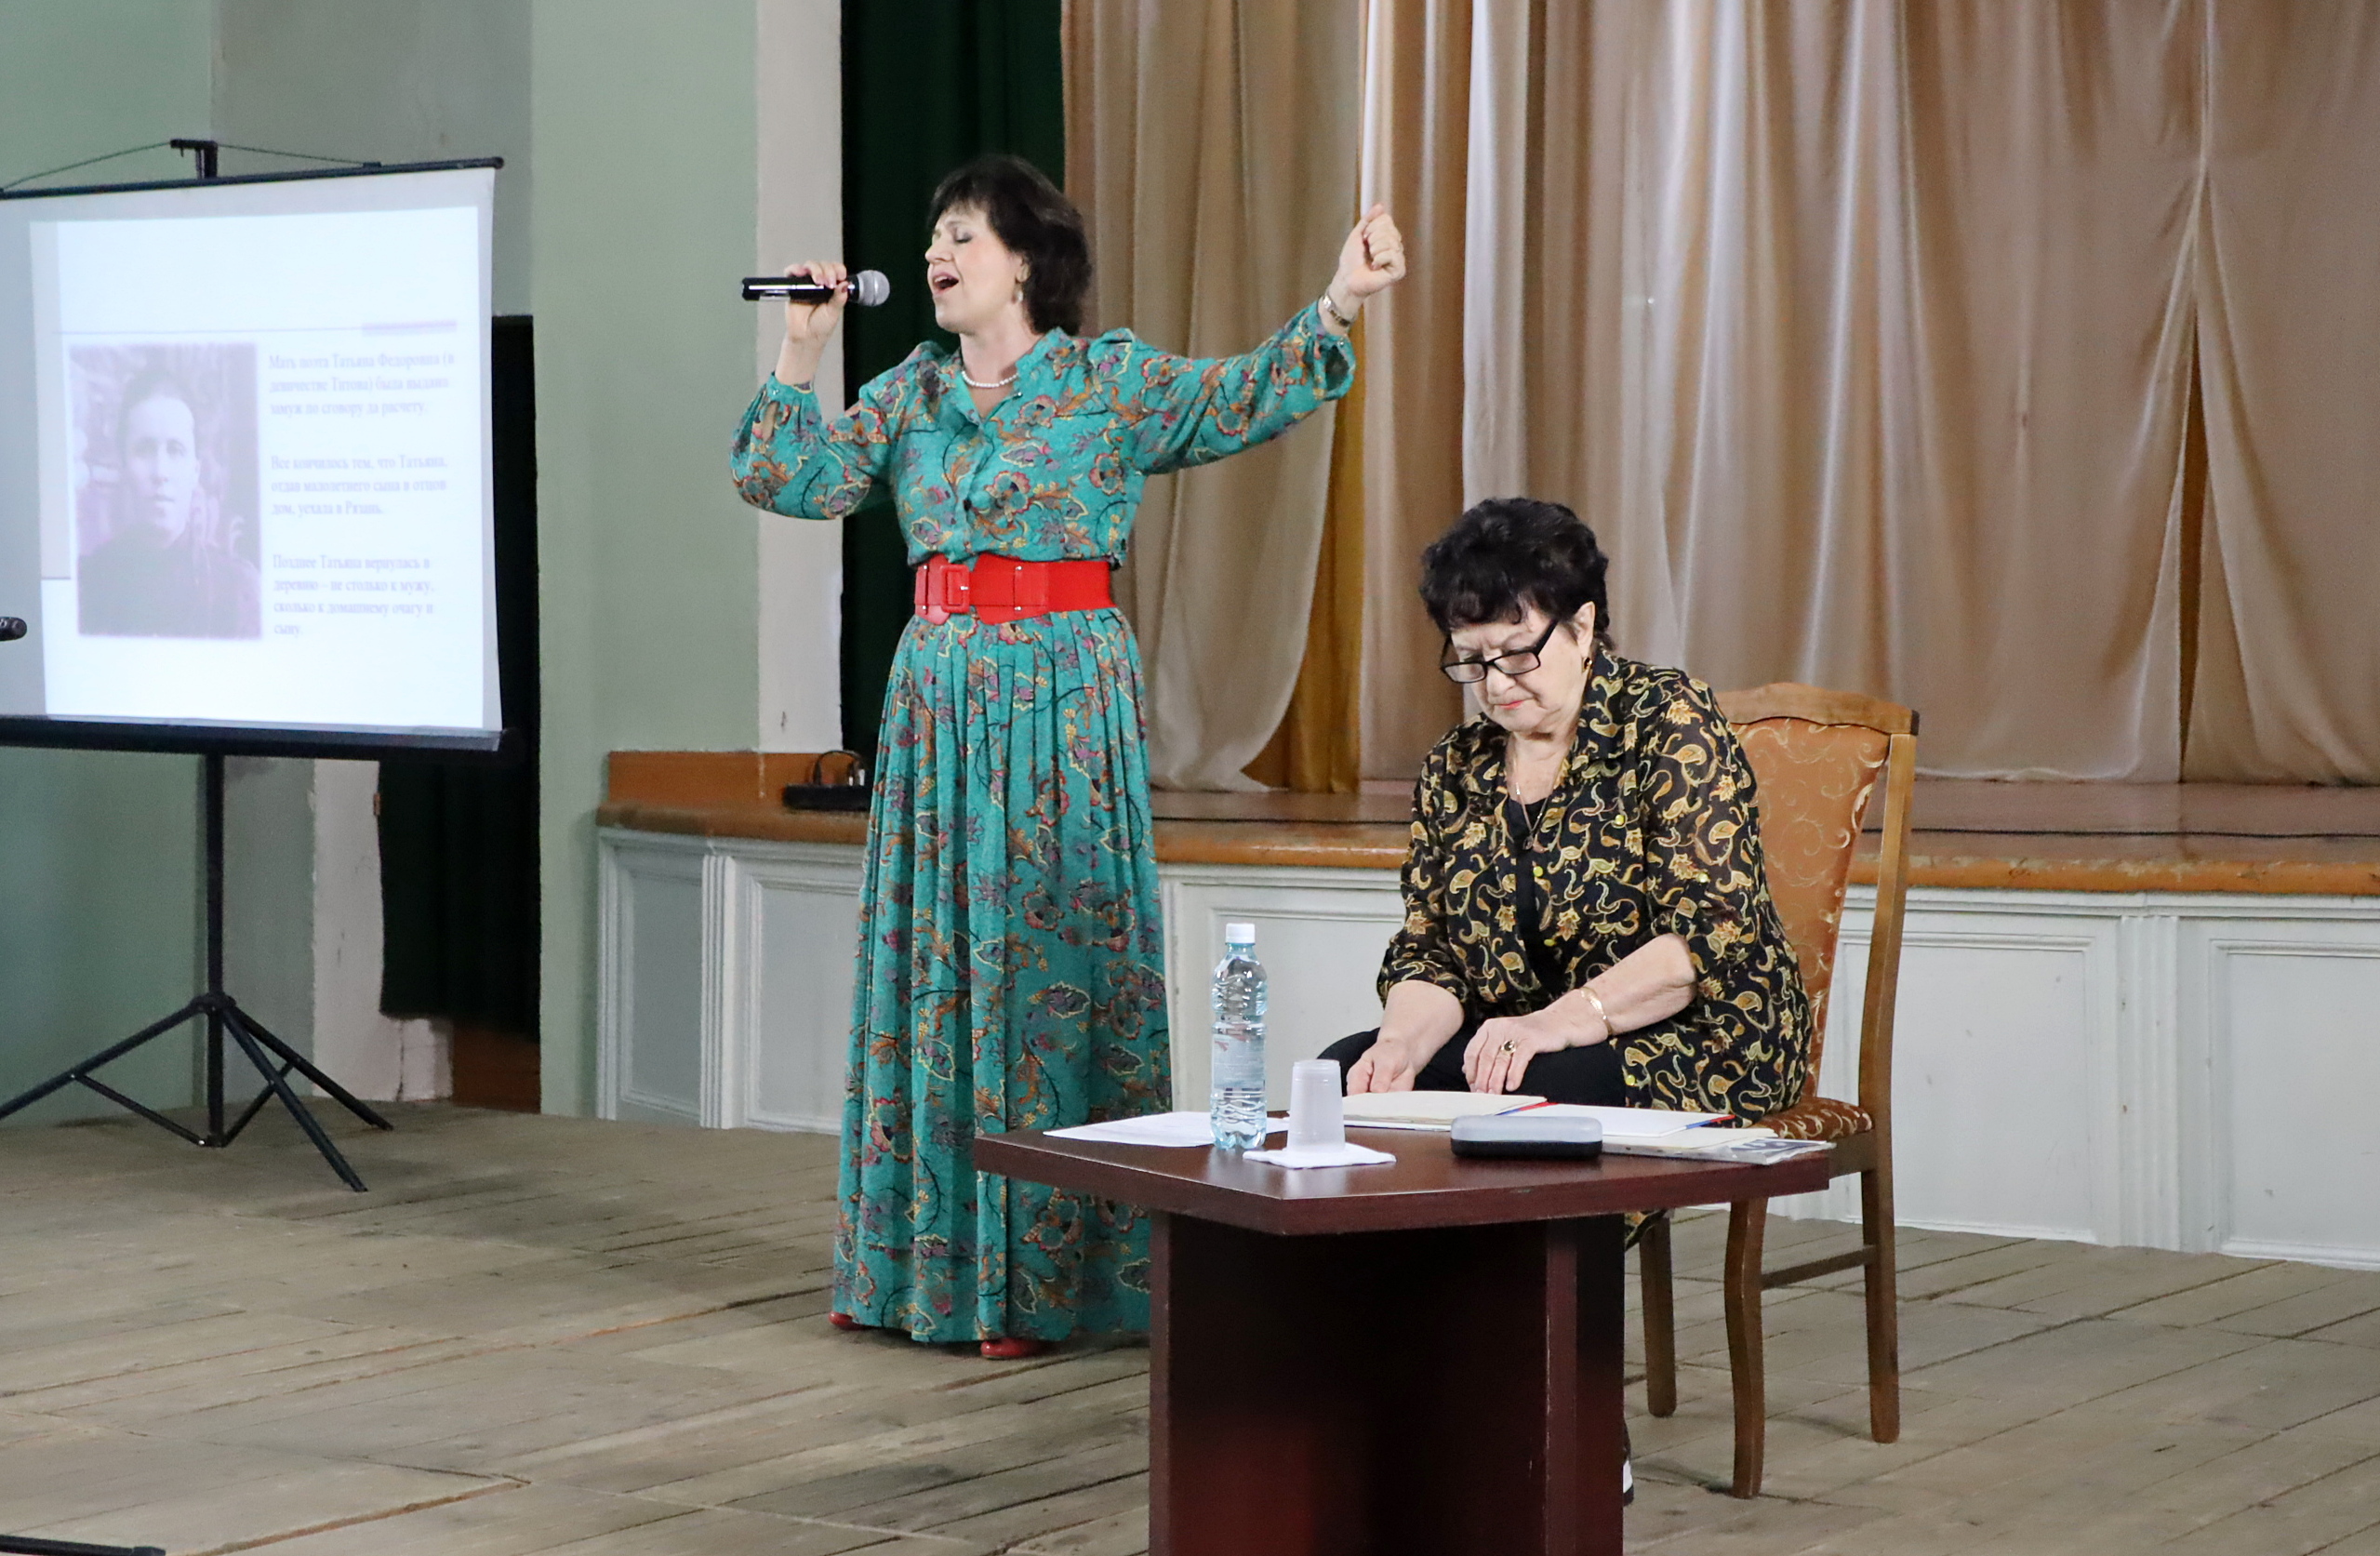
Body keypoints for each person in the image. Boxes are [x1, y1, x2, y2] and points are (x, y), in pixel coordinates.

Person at [730, 153, 1405, 1357]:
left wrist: (1339, 300)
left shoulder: (1106, 381)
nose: (936, 255)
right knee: (938, 974)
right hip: (938, 703)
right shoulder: (911, 393)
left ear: (1028, 261)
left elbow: (1242, 394)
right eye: (933, 236)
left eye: (962, 236)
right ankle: (923, 1272)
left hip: (1061, 700)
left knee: (1053, 967)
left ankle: (1052, 1283)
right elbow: (780, 475)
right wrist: (800, 347)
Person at [1325, 497, 1812, 1121]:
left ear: (1582, 627)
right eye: (1472, 660)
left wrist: (1554, 1023)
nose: (1495, 685)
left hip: (1700, 1035)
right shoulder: (1456, 763)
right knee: (1345, 1072)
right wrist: (1400, 1044)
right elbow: (1432, 950)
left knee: (1529, 1096)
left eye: (1517, 653)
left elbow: (1708, 932)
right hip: (1523, 1036)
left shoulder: (1666, 719)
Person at [79, 367, 260, 639]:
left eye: (175, 450)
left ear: (195, 470)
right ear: (124, 466)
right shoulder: (90, 584)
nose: (161, 472)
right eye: (144, 450)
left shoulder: (236, 590)